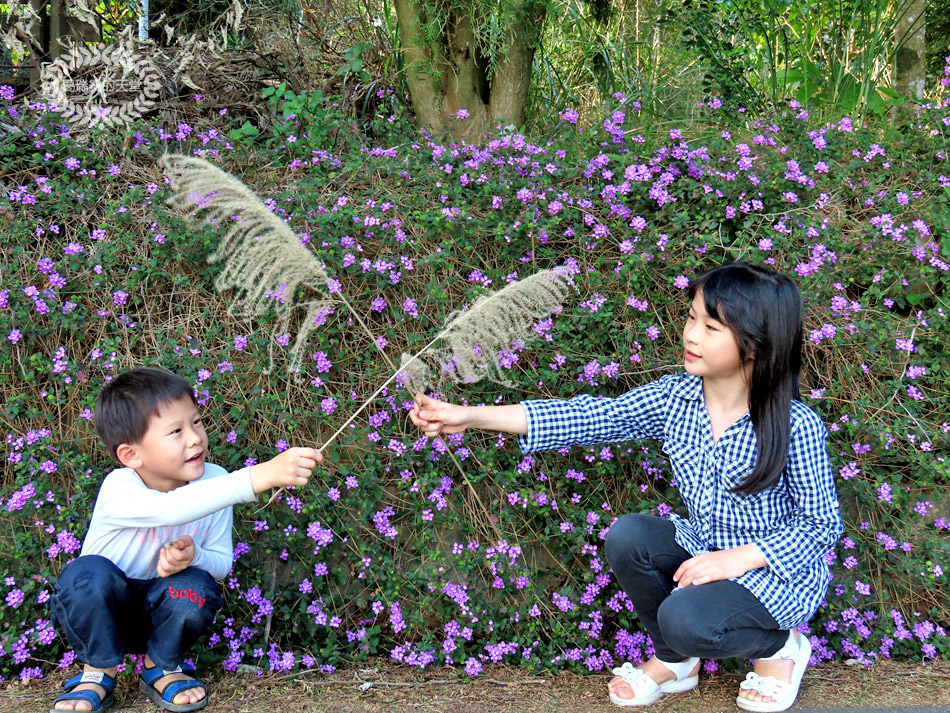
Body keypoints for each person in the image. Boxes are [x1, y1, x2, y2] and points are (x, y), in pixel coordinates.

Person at [409, 263, 843, 712]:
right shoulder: (675, 398)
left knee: (683, 617)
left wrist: (735, 560)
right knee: (629, 537)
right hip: (703, 549)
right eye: (692, 318)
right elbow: (590, 417)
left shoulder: (795, 426)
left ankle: (779, 650)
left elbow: (821, 525)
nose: (691, 335)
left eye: (711, 327)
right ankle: (677, 662)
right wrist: (469, 416)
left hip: (775, 574)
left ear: (755, 345)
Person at [49, 366, 324, 713]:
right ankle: (97, 672)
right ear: (132, 455)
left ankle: (161, 665)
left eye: (196, 423)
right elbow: (169, 510)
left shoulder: (215, 481)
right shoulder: (119, 488)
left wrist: (193, 557)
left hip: (162, 612)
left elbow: (221, 565)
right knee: (85, 575)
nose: (194, 438)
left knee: (195, 583)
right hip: (106, 612)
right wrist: (261, 475)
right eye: (176, 431)